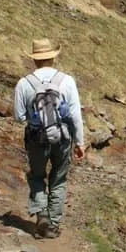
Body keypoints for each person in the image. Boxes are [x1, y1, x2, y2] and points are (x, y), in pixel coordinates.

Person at [13, 39, 85, 239]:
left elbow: (19, 116)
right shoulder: (67, 81)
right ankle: (53, 224)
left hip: (36, 138)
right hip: (62, 137)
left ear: (34, 59)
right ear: (53, 57)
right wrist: (80, 142)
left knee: (37, 175)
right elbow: (75, 115)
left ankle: (41, 213)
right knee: (58, 179)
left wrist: (35, 119)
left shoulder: (24, 83)